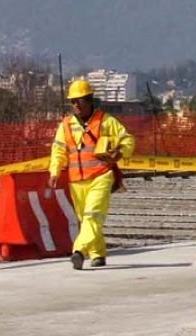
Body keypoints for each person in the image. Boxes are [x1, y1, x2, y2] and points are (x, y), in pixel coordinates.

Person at [48, 79, 134, 270]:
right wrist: (54, 170)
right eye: (72, 101)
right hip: (76, 181)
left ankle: (78, 251)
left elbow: (127, 139)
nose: (76, 105)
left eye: (80, 100)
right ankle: (98, 253)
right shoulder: (66, 125)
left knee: (92, 215)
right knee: (85, 218)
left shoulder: (106, 121)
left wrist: (120, 153)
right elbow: (59, 150)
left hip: (101, 175)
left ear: (90, 100)